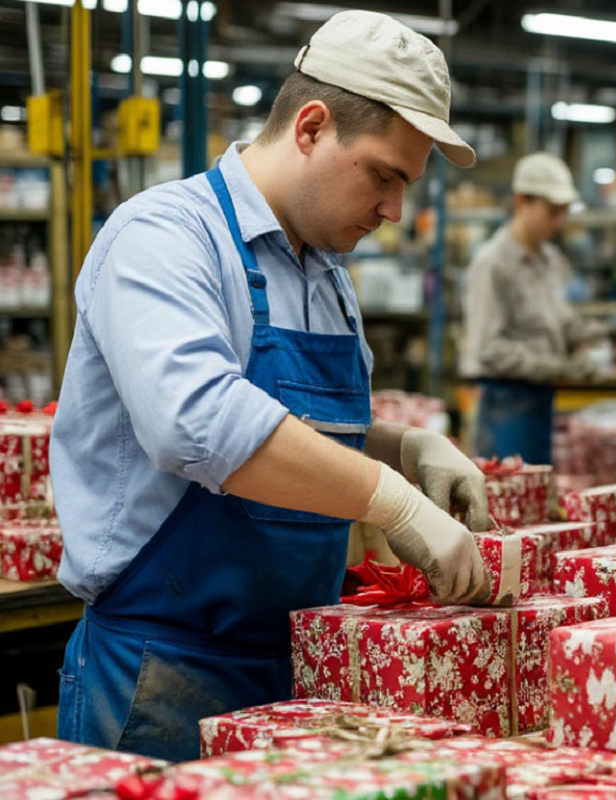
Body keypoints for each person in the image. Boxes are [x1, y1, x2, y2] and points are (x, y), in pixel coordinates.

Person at [49, 11, 493, 762]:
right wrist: (388, 496)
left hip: (298, 671)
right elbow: (198, 423)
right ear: (312, 127)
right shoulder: (164, 237)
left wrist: (403, 445)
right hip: (164, 674)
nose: (395, 210)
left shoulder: (324, 272)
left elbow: (286, 420)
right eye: (385, 175)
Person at [461, 152, 601, 464]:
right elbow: (489, 349)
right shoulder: (493, 264)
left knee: (537, 498)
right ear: (522, 201)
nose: (560, 221)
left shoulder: (550, 259)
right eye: (552, 211)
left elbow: (559, 320)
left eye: (564, 211)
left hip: (540, 400)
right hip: (505, 405)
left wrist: (592, 335)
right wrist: (562, 367)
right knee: (508, 501)